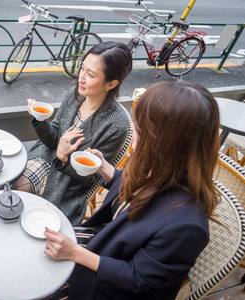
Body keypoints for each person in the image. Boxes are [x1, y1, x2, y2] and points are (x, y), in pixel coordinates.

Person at [43, 81, 220, 300]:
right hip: (105, 243)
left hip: (107, 284)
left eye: (137, 129)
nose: (132, 135)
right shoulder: (160, 167)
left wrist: (75, 253)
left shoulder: (186, 226)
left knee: (36, 282)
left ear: (163, 143)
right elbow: (133, 191)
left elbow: (137, 277)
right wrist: (105, 169)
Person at [13, 41, 133, 225]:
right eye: (82, 68)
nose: (81, 78)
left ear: (111, 84)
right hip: (45, 157)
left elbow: (91, 177)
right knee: (10, 190)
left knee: (20, 206)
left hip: (68, 184)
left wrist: (63, 158)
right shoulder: (74, 94)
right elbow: (53, 140)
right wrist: (40, 120)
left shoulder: (116, 124)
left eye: (90, 74)